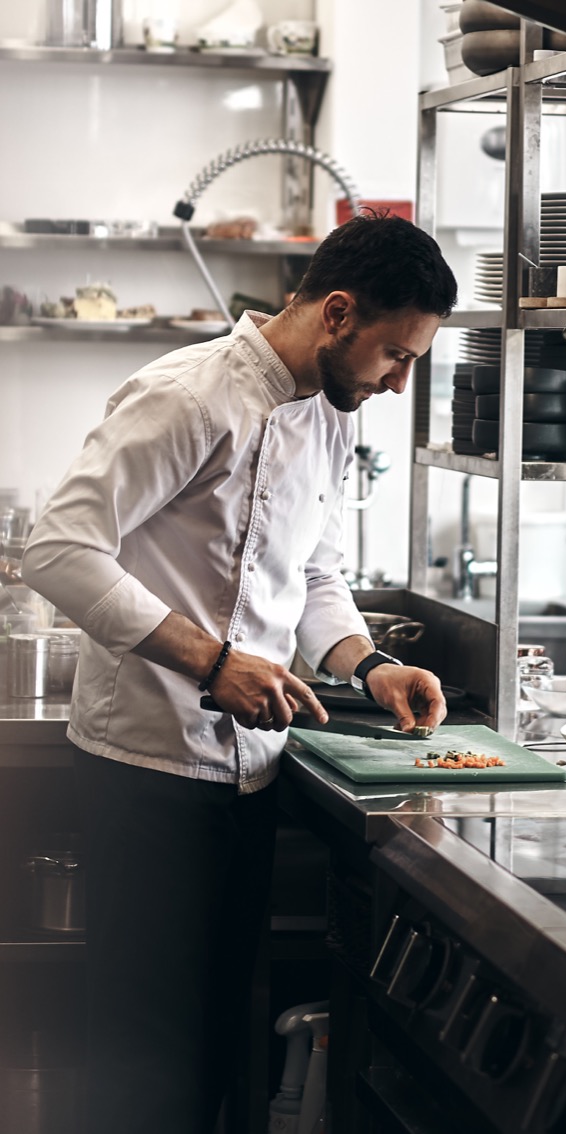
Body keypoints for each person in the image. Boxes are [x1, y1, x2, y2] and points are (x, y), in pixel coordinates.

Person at [20, 212, 458, 1134]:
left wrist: (368, 663)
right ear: (337, 313)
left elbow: (312, 571)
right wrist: (210, 662)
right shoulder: (187, 395)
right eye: (396, 354)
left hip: (250, 774)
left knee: (217, 1053)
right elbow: (56, 548)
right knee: (143, 1065)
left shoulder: (331, 414)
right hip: (145, 768)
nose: (399, 381)